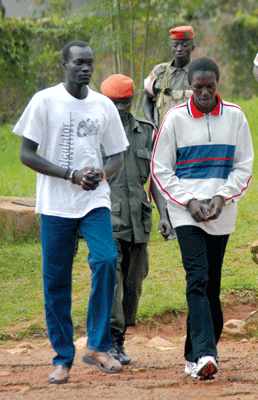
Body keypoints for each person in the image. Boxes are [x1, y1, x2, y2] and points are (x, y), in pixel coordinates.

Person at [13, 40, 129, 383]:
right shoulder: (45, 101)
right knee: (56, 282)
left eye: (90, 63)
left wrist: (102, 173)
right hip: (56, 203)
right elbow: (25, 153)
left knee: (107, 260)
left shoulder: (103, 105)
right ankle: (62, 358)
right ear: (64, 65)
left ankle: (97, 346)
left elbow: (117, 154)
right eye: (79, 62)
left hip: (94, 201)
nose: (86, 68)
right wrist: (69, 174)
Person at [151, 57, 254, 380]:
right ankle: (208, 353)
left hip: (221, 213)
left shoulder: (235, 116)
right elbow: (161, 168)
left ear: (217, 84)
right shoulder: (175, 119)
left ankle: (193, 355)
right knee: (197, 278)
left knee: (212, 287)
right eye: (199, 88)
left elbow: (244, 165)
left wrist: (223, 197)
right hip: (186, 212)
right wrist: (188, 201)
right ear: (189, 88)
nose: (205, 93)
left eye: (211, 87)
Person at [100, 74, 171, 365]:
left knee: (134, 281)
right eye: (113, 103)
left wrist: (164, 215)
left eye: (125, 101)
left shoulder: (147, 132)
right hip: (106, 218)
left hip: (139, 220)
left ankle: (121, 338)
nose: (120, 108)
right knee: (112, 281)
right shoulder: (96, 134)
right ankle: (112, 341)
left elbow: (155, 178)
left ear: (131, 100)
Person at [142, 25, 195, 130]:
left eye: (184, 45)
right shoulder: (160, 72)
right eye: (175, 45)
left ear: (192, 47)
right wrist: (152, 124)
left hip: (191, 133)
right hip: (164, 132)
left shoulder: (198, 72)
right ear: (172, 48)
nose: (179, 49)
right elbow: (147, 99)